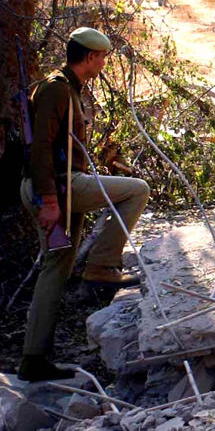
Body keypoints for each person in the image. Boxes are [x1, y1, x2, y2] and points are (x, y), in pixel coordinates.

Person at [18, 28, 150, 382]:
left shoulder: (67, 87)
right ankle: (102, 266)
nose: (105, 63)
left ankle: (34, 360)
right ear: (91, 57)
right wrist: (48, 200)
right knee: (137, 189)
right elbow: (41, 149)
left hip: (62, 187)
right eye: (103, 57)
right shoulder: (57, 89)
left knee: (56, 269)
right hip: (57, 187)